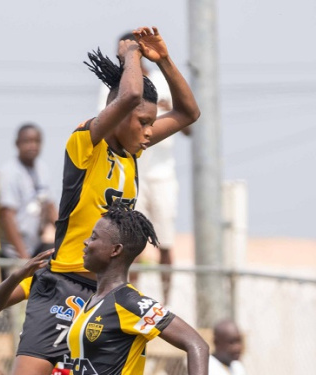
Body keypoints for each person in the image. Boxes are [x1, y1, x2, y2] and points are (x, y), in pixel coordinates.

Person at [0, 26, 200, 375]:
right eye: (143, 123)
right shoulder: (85, 144)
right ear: (117, 114)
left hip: (107, 293)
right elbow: (129, 96)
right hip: (62, 287)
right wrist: (131, 53)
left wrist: (164, 61)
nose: (150, 131)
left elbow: (189, 113)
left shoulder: (132, 153)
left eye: (151, 123)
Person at [98, 32, 191, 305]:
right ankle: (128, 295)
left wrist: (165, 110)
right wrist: (127, 69)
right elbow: (106, 121)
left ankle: (166, 301)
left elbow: (188, 121)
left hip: (161, 175)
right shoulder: (113, 87)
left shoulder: (162, 83)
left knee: (165, 242)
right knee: (128, 239)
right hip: (126, 172)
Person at [64, 202, 208, 374]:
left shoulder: (130, 303)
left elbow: (196, 344)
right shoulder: (93, 300)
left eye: (94, 237)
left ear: (115, 250)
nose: (86, 242)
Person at [0, 123, 58, 265]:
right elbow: (7, 216)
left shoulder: (41, 169)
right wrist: (24, 259)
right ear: (17, 143)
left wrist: (68, 238)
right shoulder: (10, 172)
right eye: (27, 141)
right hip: (14, 253)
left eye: (36, 141)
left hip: (35, 247)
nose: (32, 146)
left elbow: (50, 209)